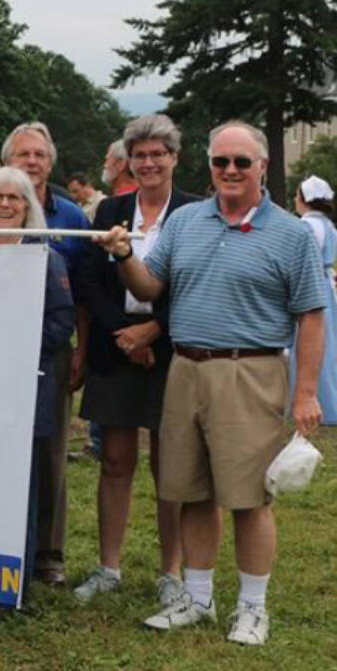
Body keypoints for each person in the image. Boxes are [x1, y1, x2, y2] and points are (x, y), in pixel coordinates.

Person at [96, 120, 327, 645]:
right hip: (186, 368)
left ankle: (252, 607)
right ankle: (197, 598)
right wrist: (126, 256)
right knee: (190, 489)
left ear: (263, 167)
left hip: (251, 370)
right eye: (220, 161)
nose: (229, 171)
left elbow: (312, 316)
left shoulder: (290, 233)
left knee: (248, 498)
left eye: (241, 162)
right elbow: (152, 284)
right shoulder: (185, 222)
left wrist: (306, 392)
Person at [74, 114, 201, 607]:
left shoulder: (195, 212)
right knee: (114, 459)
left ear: (174, 158)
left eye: (157, 154)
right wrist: (123, 334)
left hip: (173, 350)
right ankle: (109, 567)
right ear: (129, 160)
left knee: (171, 464)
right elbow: (90, 278)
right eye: (140, 155)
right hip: (116, 345)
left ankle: (172, 572)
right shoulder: (111, 207)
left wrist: (155, 329)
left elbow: (199, 281)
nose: (148, 163)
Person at [0, 122, 90, 586]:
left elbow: (61, 319)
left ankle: (27, 561)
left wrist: (16, 347)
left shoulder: (47, 256)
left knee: (32, 466)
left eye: (14, 199)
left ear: (28, 207)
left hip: (29, 375)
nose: (4, 204)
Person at [291, 175, 337, 424]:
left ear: (304, 199)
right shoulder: (328, 225)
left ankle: (317, 400)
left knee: (308, 344)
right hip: (325, 286)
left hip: (311, 286)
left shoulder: (308, 226)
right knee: (327, 344)